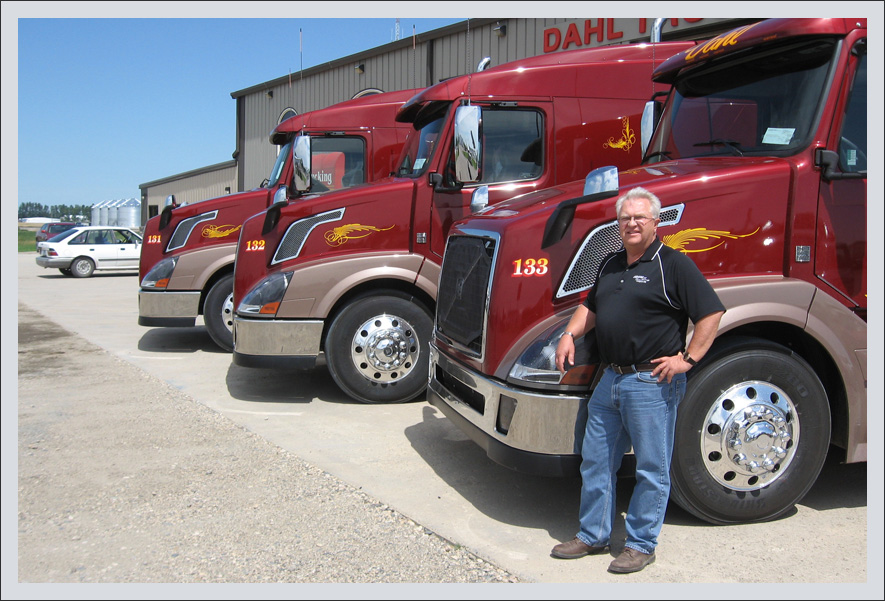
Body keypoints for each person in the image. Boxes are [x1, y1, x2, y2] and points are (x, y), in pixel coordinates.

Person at [551, 186, 725, 574]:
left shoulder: (674, 265)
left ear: (655, 223)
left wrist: (688, 359)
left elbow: (711, 314)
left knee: (651, 467)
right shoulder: (610, 263)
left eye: (639, 217)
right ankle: (593, 535)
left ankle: (641, 544)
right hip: (609, 380)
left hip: (651, 382)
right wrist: (568, 333)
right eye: (625, 218)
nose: (631, 223)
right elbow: (590, 307)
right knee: (596, 461)